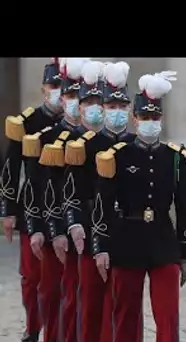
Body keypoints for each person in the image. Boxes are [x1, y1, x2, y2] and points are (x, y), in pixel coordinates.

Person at [93, 70, 186, 342]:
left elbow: (184, 207)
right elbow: (103, 203)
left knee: (168, 315)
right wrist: (101, 246)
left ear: (161, 120)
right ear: (135, 120)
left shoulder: (174, 157)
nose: (150, 122)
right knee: (125, 314)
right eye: (144, 118)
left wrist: (185, 252)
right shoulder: (117, 155)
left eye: (155, 117)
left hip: (164, 240)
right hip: (127, 238)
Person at [61, 61, 140, 342]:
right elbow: (70, 192)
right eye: (111, 107)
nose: (117, 113)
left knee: (128, 305)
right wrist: (74, 225)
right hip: (94, 228)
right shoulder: (85, 145)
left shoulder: (137, 144)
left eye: (122, 107)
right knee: (92, 302)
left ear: (130, 111)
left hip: (130, 232)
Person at [25, 57, 90, 342]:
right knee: (51, 293)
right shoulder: (48, 137)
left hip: (89, 227)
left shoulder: (95, 139)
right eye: (70, 95)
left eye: (80, 95)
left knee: (83, 297)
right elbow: (39, 186)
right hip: (55, 227)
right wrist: (45, 229)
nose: (75, 101)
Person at [0, 58, 63, 342]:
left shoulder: (73, 123)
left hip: (63, 206)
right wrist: (8, 211)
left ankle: (55, 327)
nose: (59, 92)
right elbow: (11, 168)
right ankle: (32, 325)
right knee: (30, 276)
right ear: (43, 88)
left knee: (57, 278)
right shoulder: (27, 122)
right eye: (54, 86)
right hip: (31, 206)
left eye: (64, 87)